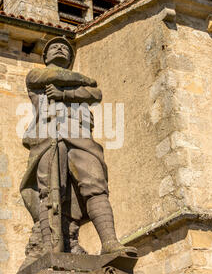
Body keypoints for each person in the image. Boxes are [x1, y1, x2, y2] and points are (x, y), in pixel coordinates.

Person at [20, 36, 136, 259]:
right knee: (51, 191)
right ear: (44, 57)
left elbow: (96, 95)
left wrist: (65, 94)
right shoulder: (36, 75)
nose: (60, 48)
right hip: (47, 137)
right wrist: (84, 81)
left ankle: (110, 243)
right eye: (54, 47)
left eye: (65, 47)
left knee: (95, 185)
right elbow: (52, 75)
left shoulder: (80, 82)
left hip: (80, 136)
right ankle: (52, 248)